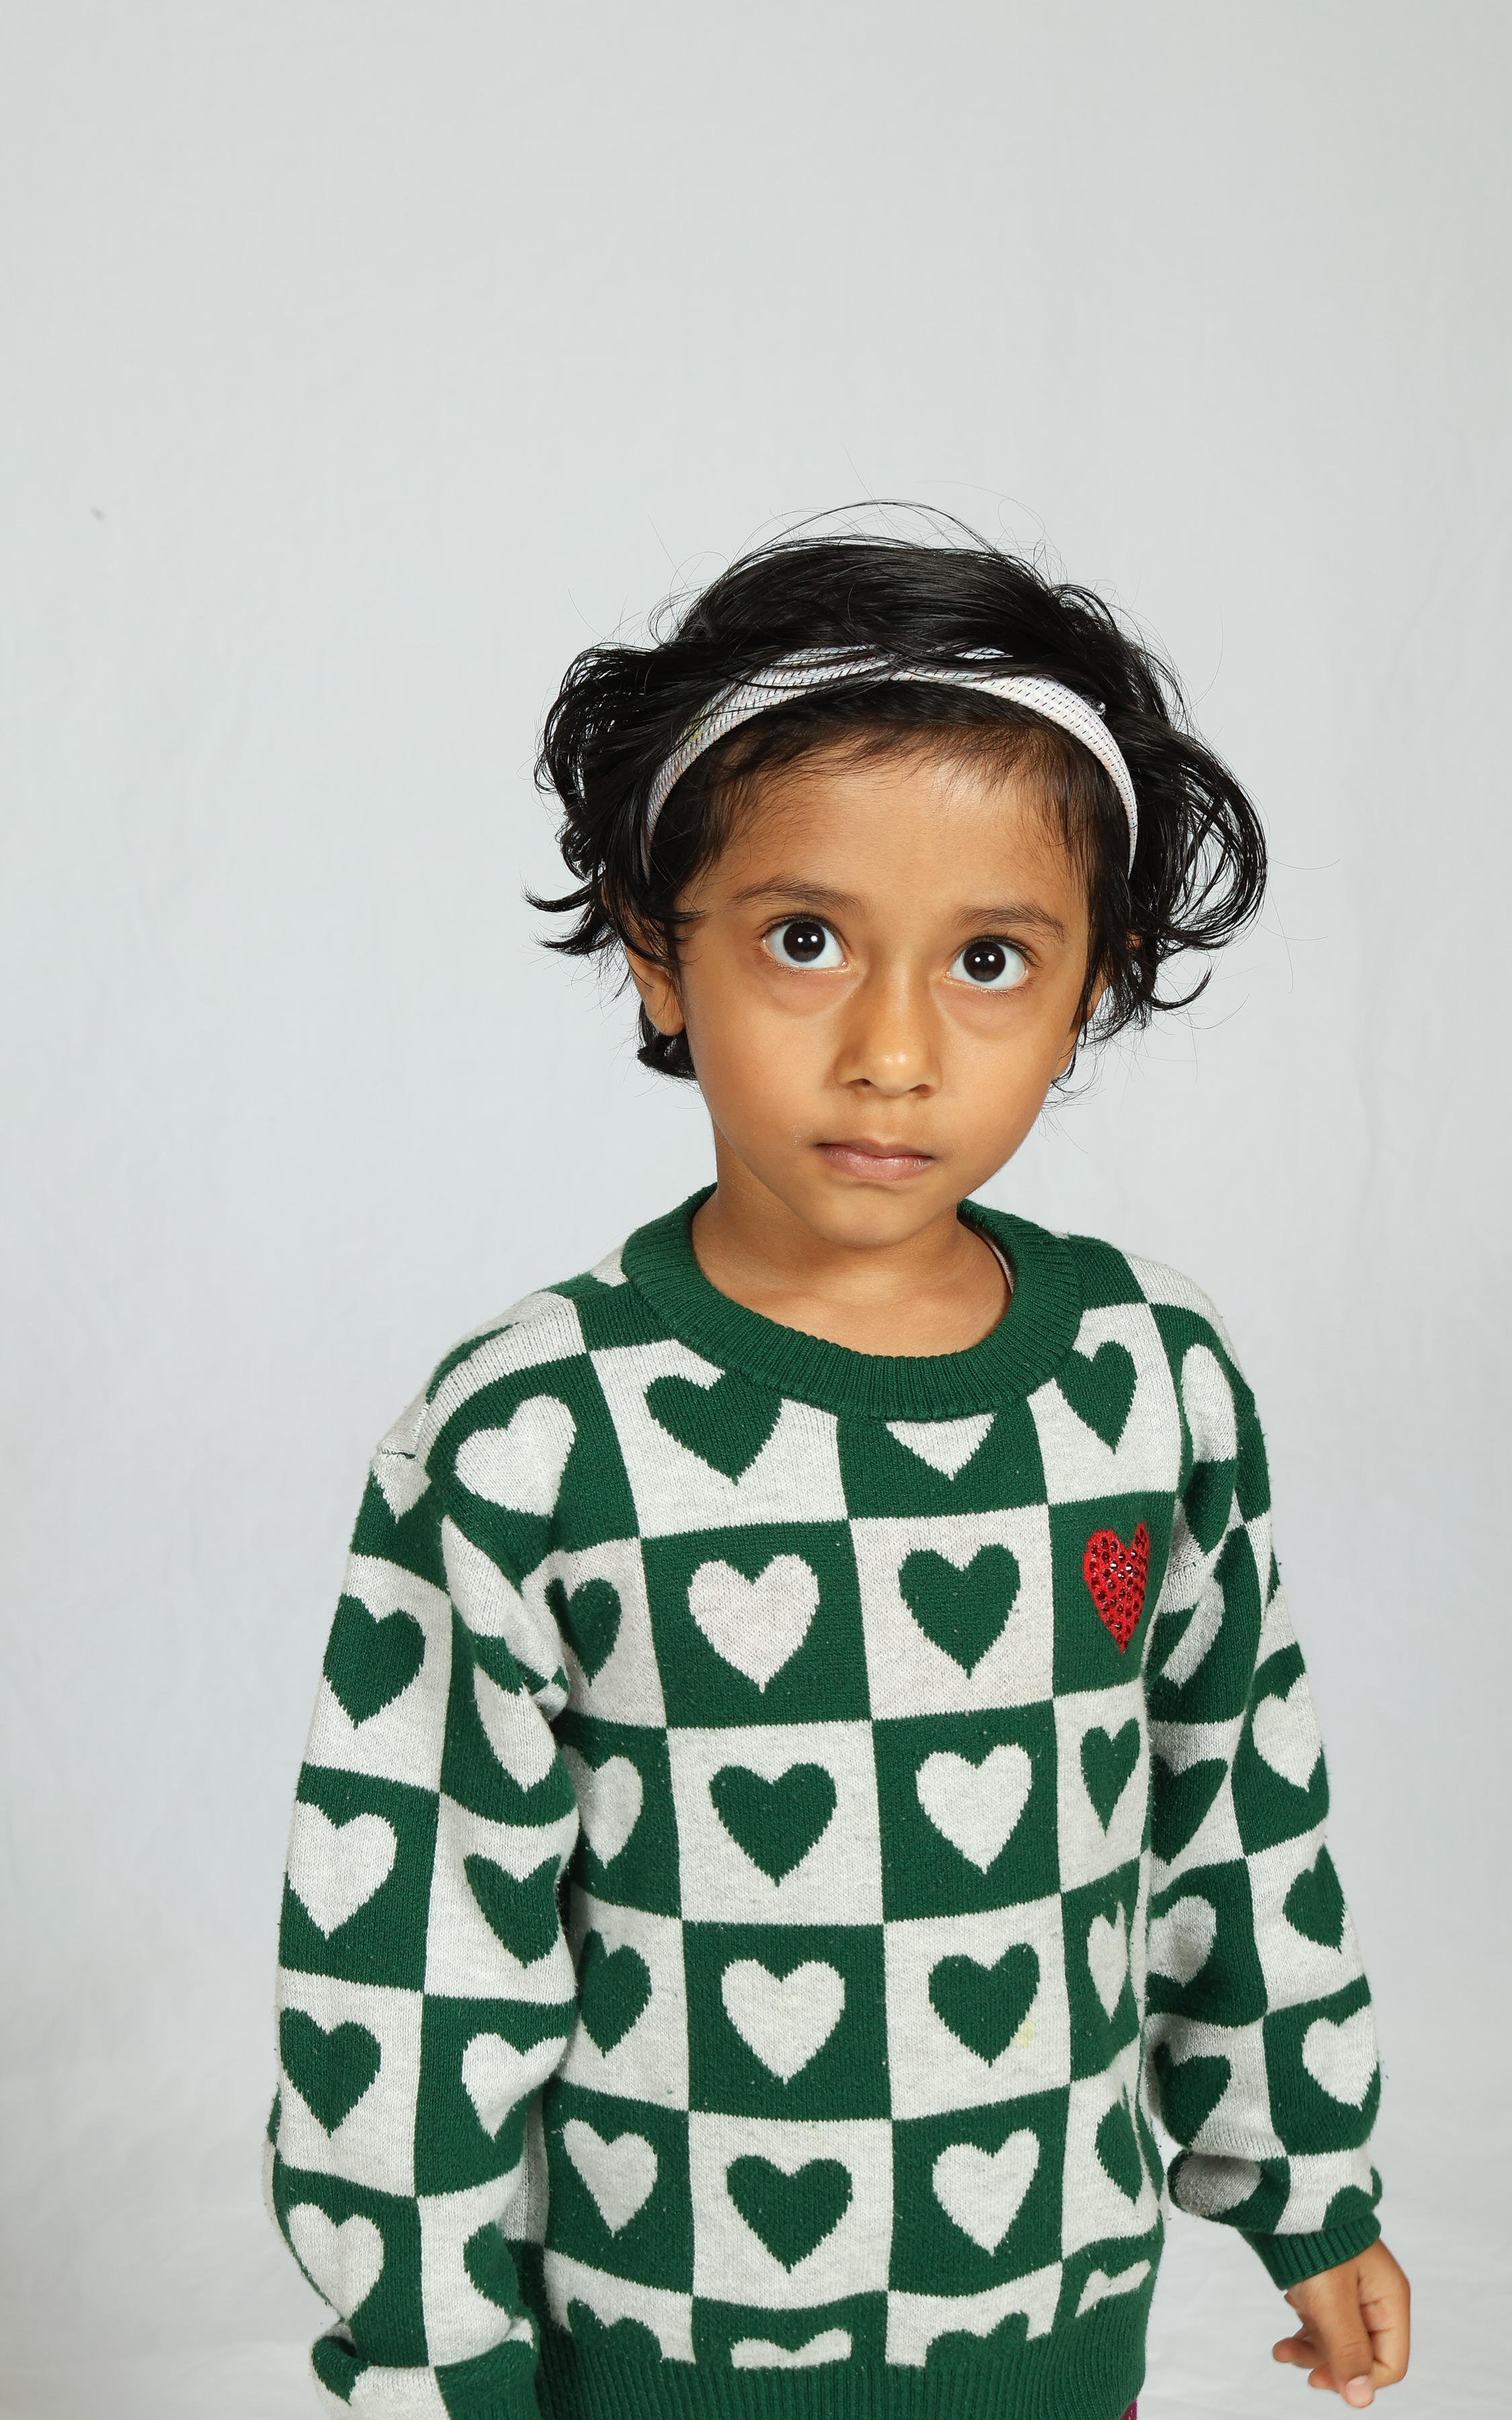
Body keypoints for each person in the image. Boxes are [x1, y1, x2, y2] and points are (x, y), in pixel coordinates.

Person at [266, 526, 1411, 2420]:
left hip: (1051, 2330)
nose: (893, 1051)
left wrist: (1307, 2184)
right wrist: (426, 2350)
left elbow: (1236, 1809)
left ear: (1098, 985)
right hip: (659, 2347)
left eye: (989, 961)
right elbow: (414, 1943)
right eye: (805, 941)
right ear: (658, 954)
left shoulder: (1149, 1379)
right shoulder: (536, 1431)